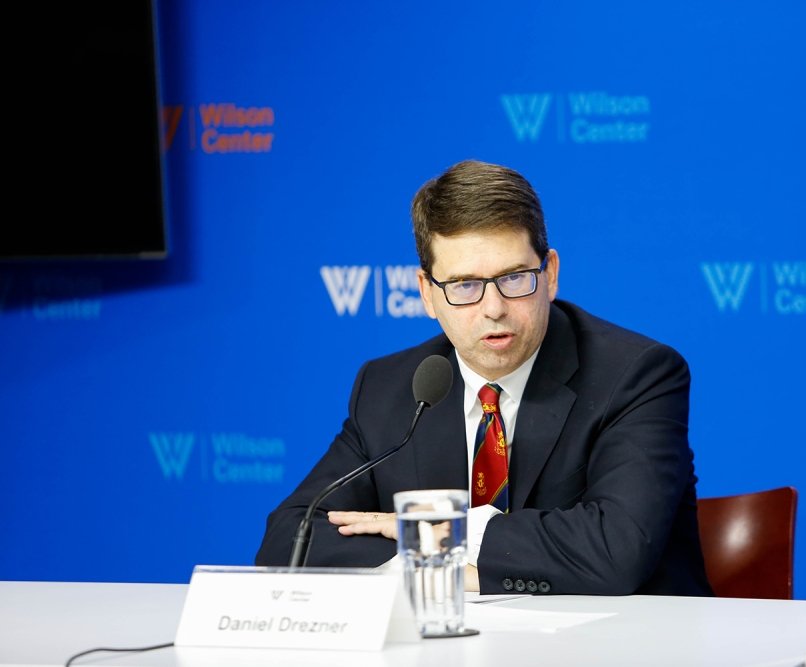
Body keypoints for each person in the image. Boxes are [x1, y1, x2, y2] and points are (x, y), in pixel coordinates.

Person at [255, 159, 712, 597]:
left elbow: (617, 547)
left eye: (514, 278)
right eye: (465, 286)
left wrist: (446, 534)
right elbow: (291, 538)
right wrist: (439, 566)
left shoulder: (636, 375)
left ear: (550, 275)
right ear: (427, 295)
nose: (493, 308)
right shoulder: (389, 388)